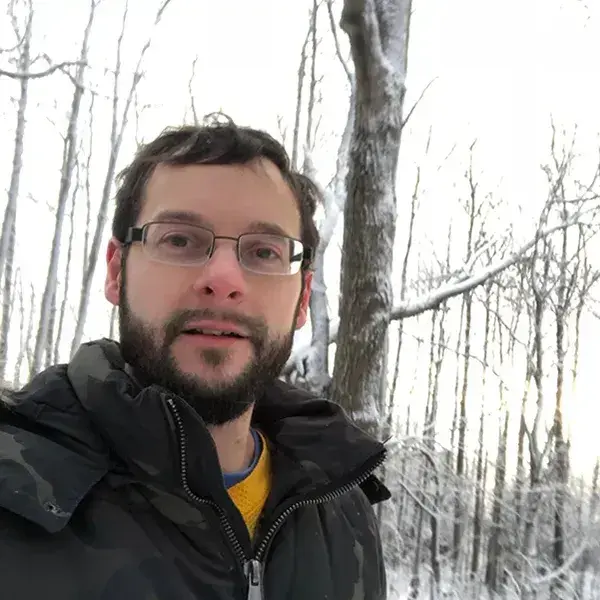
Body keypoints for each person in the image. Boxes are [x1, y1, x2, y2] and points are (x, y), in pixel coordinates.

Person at [0, 116, 390, 599]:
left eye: (264, 252)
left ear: (303, 296)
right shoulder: (14, 487)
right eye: (180, 240)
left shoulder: (345, 514)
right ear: (117, 271)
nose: (223, 280)